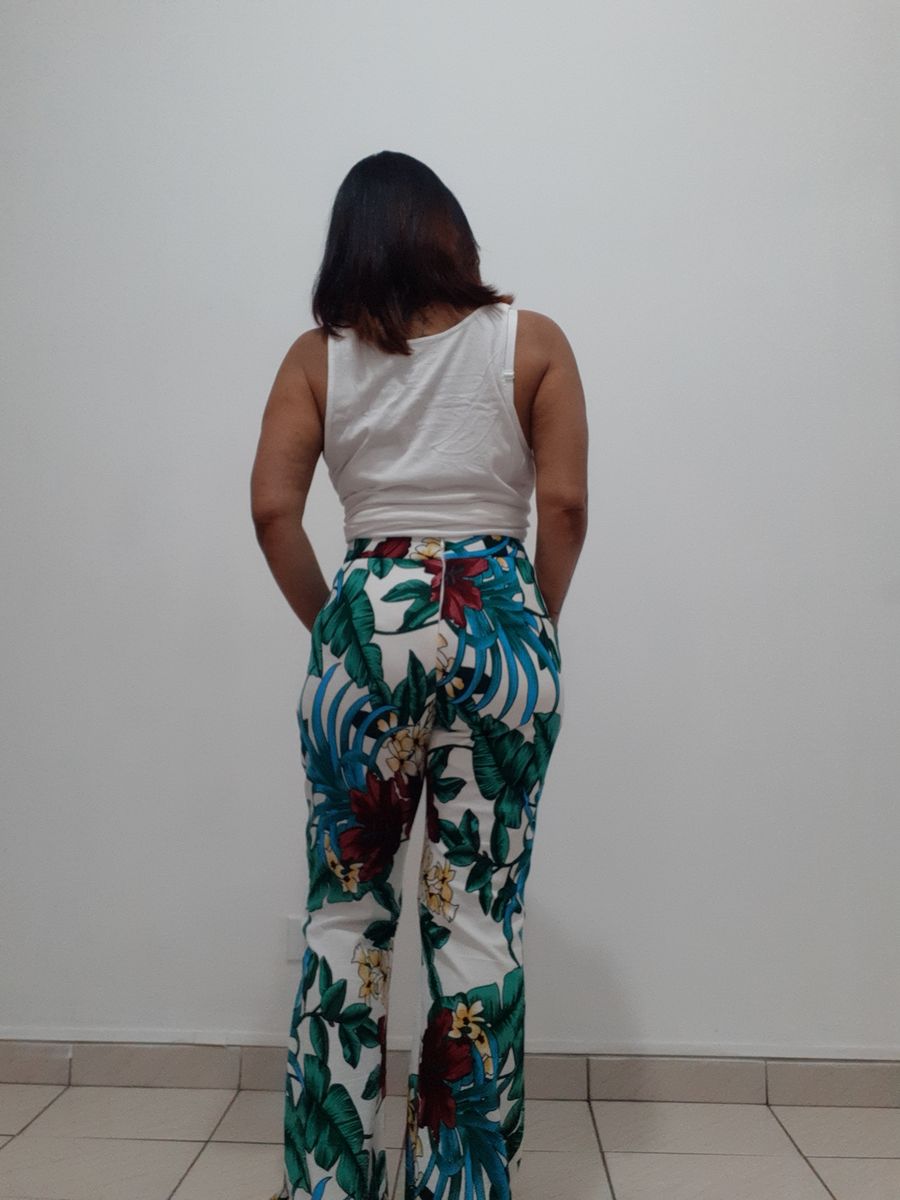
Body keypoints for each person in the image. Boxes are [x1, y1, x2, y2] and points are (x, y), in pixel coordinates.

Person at [250, 150, 588, 1200]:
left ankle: (329, 1180)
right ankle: (461, 1183)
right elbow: (565, 506)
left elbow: (272, 510)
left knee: (345, 912)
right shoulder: (533, 342)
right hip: (498, 613)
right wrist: (529, 627)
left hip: (371, 602)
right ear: (452, 233)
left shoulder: (318, 359)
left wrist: (339, 632)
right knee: (477, 913)